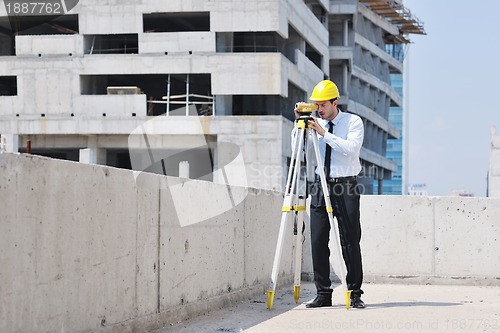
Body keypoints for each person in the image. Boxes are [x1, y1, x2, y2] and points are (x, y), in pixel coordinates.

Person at [293, 79, 365, 308]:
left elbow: (351, 149)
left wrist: (324, 133)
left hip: (345, 185)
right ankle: (323, 293)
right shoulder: (315, 124)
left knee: (350, 241)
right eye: (316, 105)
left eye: (323, 105)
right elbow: (297, 147)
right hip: (320, 184)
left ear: (335, 102)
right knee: (317, 240)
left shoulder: (352, 122)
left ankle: (354, 293)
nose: (320, 109)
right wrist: (300, 125)